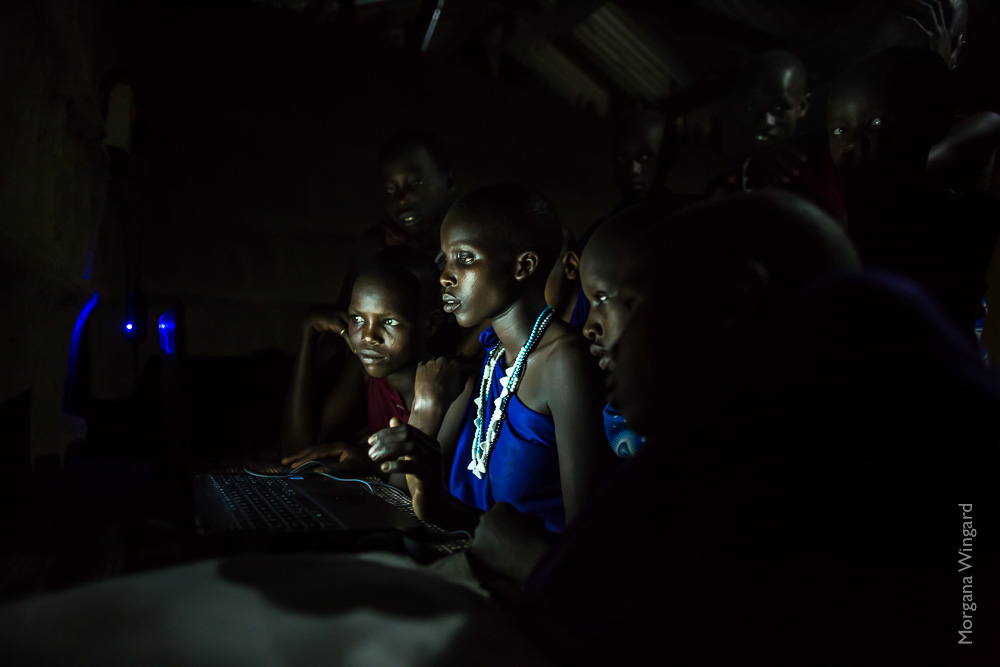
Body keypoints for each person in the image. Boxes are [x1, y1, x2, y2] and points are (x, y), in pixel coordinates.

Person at [524, 191, 1000, 665]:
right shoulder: (735, 441)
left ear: (734, 298)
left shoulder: (817, 481)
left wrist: (520, 561)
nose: (593, 327)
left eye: (627, 299)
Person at [366, 183, 614, 537]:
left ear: (522, 266)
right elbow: (397, 499)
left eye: (464, 258)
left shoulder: (565, 363)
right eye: (446, 259)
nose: (445, 276)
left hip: (533, 585)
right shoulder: (489, 364)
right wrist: (424, 412)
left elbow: (582, 541)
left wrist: (438, 504)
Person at [826, 46, 999, 338]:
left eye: (876, 124)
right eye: (840, 130)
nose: (853, 143)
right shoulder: (846, 220)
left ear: (932, 124)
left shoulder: (962, 217)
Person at [279, 246, 443, 473]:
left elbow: (414, 486)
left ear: (430, 324)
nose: (368, 337)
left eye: (390, 322)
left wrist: (368, 463)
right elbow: (297, 452)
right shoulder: (365, 370)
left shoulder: (447, 389)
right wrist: (309, 333)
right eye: (357, 318)